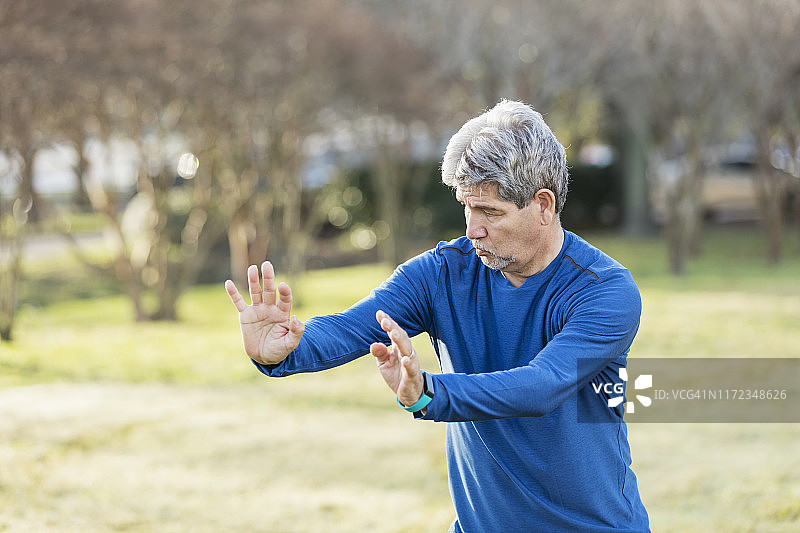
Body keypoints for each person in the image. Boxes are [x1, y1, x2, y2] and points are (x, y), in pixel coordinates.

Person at [224, 100, 650, 532]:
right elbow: (354, 326)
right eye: (468, 206)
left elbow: (541, 386)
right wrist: (284, 349)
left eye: (490, 212)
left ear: (543, 205)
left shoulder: (603, 291)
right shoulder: (443, 272)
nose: (472, 229)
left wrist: (428, 393)